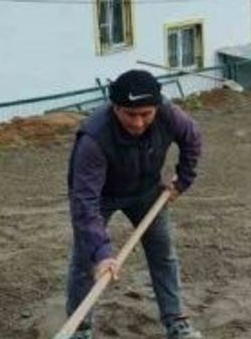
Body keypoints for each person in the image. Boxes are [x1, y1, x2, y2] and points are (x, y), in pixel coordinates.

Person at [65, 69, 204, 339]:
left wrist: (182, 181)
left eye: (145, 114)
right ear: (115, 107)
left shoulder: (168, 114)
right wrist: (103, 253)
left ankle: (175, 321)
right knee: (85, 260)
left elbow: (192, 139)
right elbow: (85, 203)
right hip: (101, 197)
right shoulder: (94, 137)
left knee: (163, 254)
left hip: (147, 192)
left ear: (156, 107)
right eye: (130, 114)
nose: (139, 122)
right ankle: (79, 326)